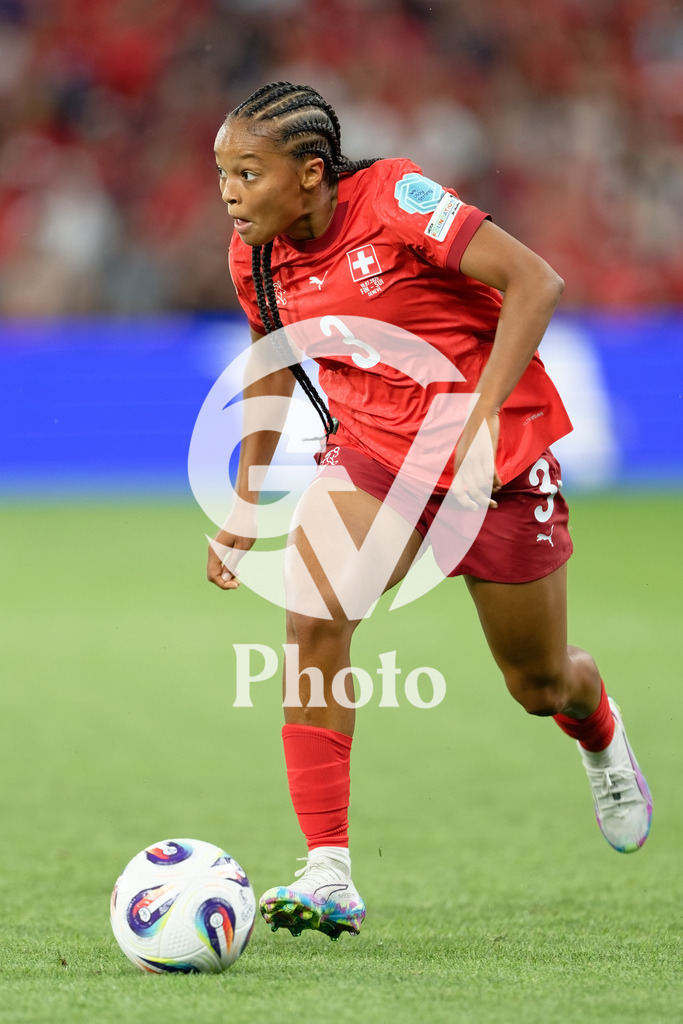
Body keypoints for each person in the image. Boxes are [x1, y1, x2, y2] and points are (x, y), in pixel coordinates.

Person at [208, 82, 652, 941]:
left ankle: (596, 726)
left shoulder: (397, 201)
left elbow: (535, 282)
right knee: (313, 619)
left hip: (499, 459)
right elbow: (270, 365)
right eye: (222, 172)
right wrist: (243, 501)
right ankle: (327, 868)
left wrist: (480, 424)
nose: (228, 192)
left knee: (537, 682)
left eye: (247, 173)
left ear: (309, 173)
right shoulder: (252, 255)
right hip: (375, 455)